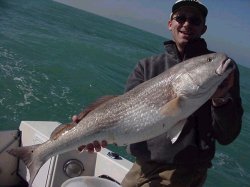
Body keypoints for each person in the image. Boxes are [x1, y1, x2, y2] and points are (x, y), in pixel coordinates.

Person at [73, 0, 243, 186]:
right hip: (140, 167)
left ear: (203, 29)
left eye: (195, 20)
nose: (187, 24)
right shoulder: (146, 66)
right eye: (181, 17)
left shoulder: (223, 73)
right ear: (170, 23)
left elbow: (227, 136)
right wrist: (93, 132)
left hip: (183, 173)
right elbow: (122, 117)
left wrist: (220, 99)